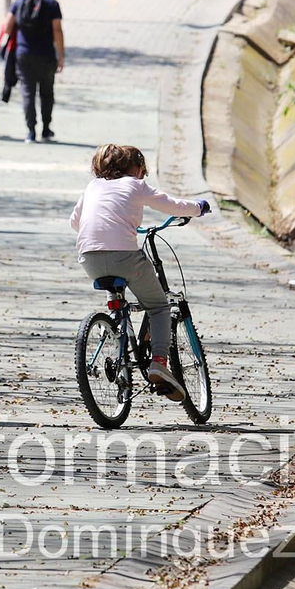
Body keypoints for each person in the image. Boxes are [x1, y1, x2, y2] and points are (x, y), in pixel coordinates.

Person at [70, 144, 209, 401]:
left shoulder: (92, 187)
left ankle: (115, 331)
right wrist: (199, 207)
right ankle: (158, 362)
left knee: (118, 296)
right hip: (125, 256)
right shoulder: (135, 185)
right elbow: (173, 205)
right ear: (134, 168)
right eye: (142, 170)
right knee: (158, 306)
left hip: (89, 257)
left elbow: (74, 222)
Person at [0, 0, 64, 143]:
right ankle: (46, 128)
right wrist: (61, 55)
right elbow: (57, 30)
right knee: (46, 93)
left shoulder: (20, 0)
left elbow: (7, 26)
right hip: (46, 55)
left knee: (28, 92)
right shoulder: (52, 3)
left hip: (23, 54)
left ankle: (30, 131)